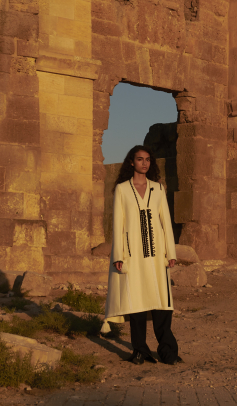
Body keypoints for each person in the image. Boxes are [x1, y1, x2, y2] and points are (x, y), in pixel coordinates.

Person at [103, 145, 181, 365]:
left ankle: (168, 352)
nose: (144, 163)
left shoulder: (158, 188)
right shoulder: (122, 189)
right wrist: (119, 255)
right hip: (133, 254)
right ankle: (140, 351)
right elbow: (118, 223)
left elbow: (165, 220)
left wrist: (171, 252)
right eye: (140, 159)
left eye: (147, 159)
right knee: (136, 303)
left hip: (156, 255)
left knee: (162, 303)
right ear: (132, 162)